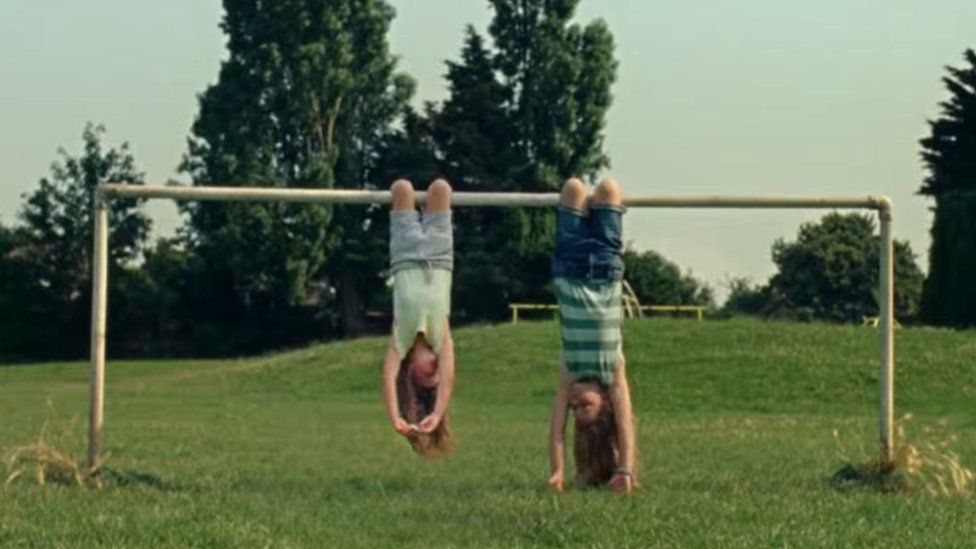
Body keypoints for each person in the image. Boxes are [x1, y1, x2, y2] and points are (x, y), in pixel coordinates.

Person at [547, 177, 637, 492]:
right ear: (606, 405)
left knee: (572, 187)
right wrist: (625, 469)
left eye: (575, 411)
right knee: (610, 188)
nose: (574, 404)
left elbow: (557, 431)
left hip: (568, 267)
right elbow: (626, 424)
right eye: (585, 408)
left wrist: (557, 470)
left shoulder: (568, 373)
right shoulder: (613, 373)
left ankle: (579, 199)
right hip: (605, 266)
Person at [381, 178, 456, 458]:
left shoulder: (400, 340)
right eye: (439, 373)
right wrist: (437, 413)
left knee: (401, 188)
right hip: (440, 254)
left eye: (429, 374)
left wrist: (395, 417)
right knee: (441, 188)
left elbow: (388, 377)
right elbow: (449, 376)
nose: (437, 369)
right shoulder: (442, 338)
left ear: (411, 373)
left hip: (405, 254)